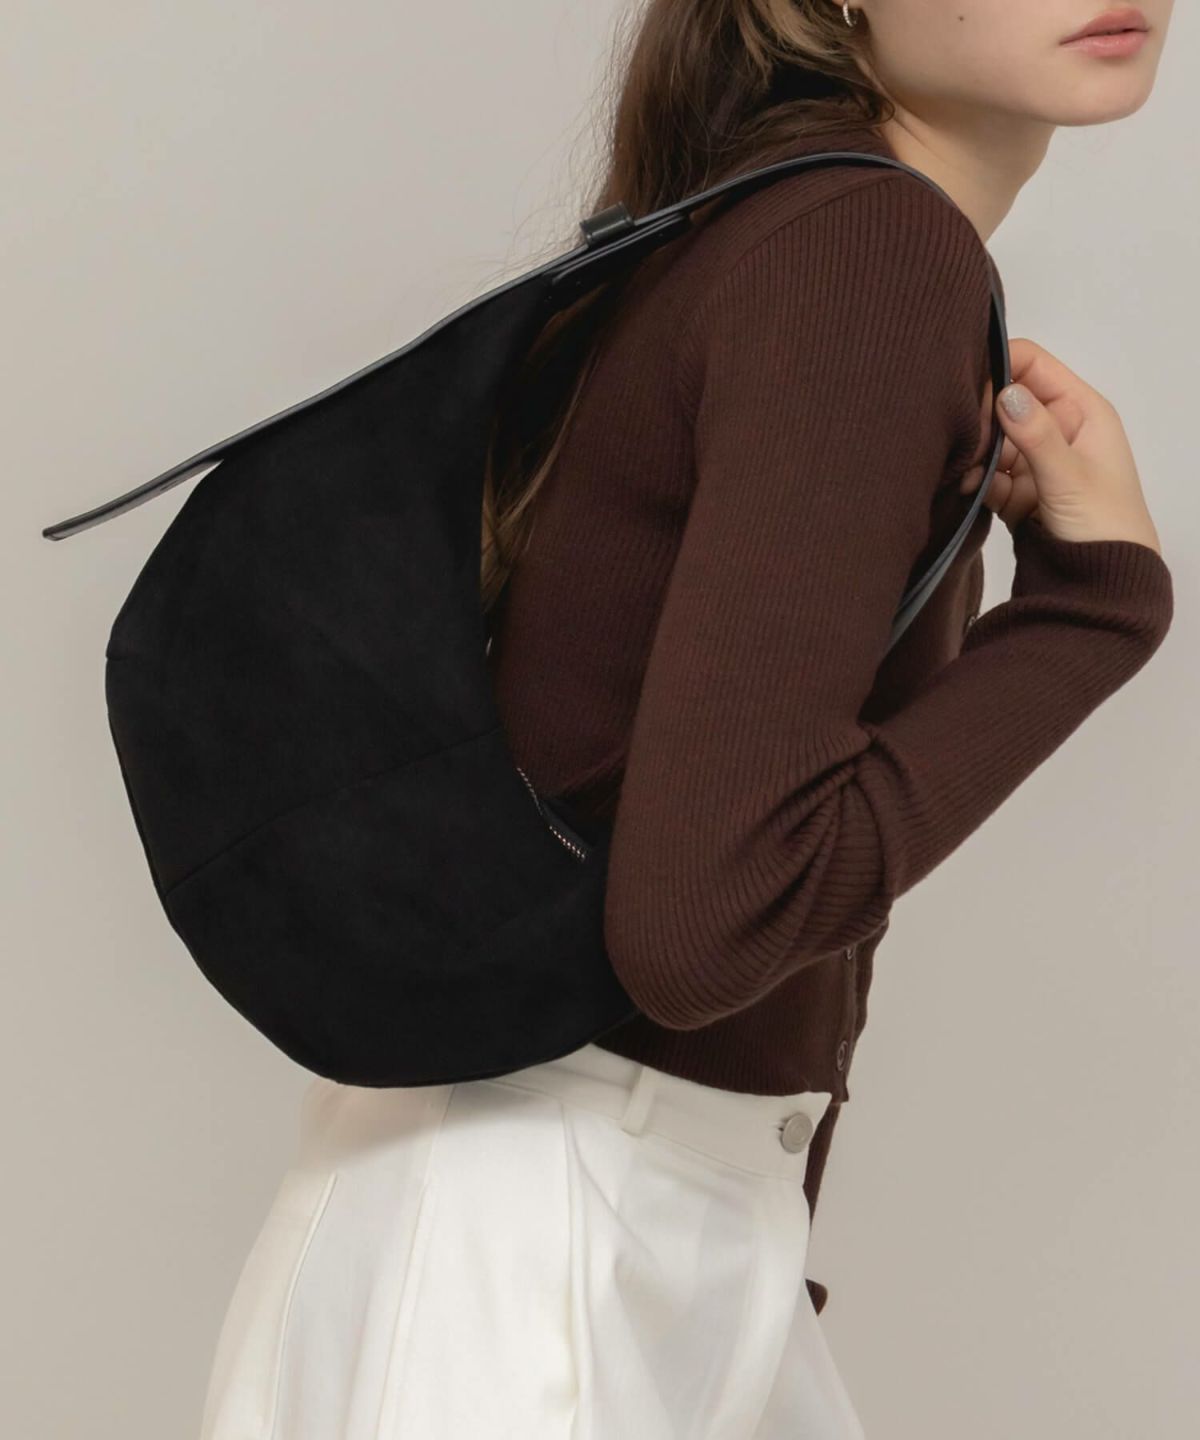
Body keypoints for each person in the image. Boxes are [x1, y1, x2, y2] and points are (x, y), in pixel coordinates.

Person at [197, 3, 1177, 1436]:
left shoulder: (782, 235)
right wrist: (1098, 608)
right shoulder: (866, 250)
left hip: (577, 1227)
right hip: (538, 1261)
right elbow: (710, 917)